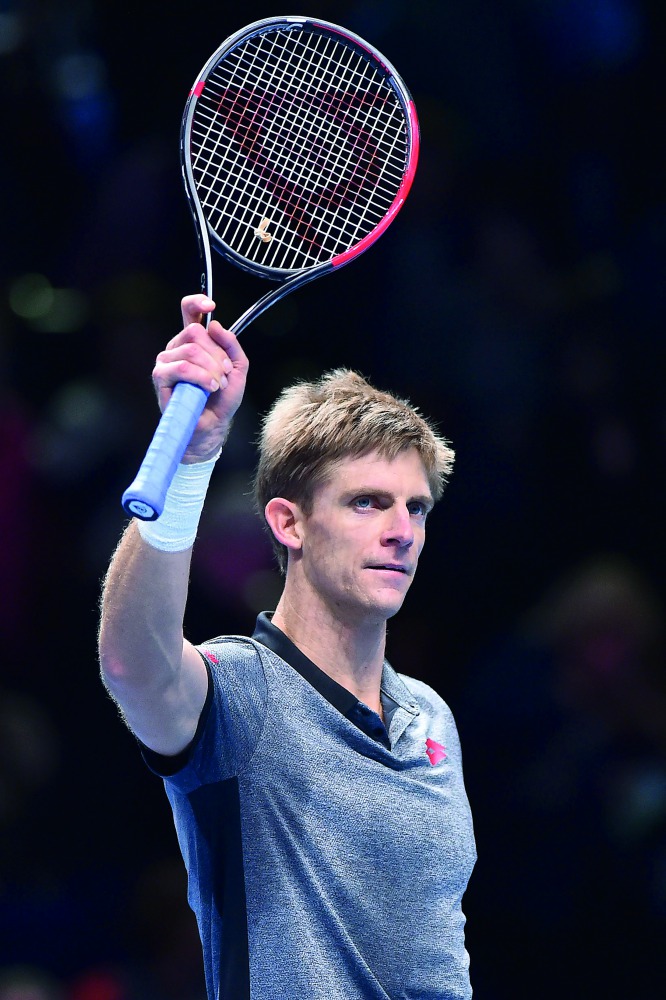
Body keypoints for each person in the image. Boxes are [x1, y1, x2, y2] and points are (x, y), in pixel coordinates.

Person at [98, 294, 477, 1000]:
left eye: (415, 507)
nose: (402, 531)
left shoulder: (432, 720)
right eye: (367, 502)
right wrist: (190, 458)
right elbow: (132, 661)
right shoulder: (242, 693)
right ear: (288, 524)